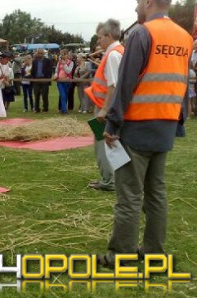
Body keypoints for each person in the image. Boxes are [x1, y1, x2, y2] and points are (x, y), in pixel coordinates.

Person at [99, 0, 192, 267]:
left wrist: (112, 124)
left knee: (129, 194)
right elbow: (182, 82)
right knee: (156, 193)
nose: (136, 7)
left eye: (138, 2)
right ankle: (153, 251)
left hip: (137, 126)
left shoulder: (142, 33)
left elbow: (126, 83)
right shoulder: (184, 37)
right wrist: (178, 121)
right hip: (164, 126)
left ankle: (122, 254)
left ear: (149, 2)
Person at [85, 19, 124, 192]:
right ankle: (115, 179)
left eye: (100, 37)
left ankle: (109, 181)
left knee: (104, 146)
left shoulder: (113, 55)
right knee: (113, 145)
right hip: (109, 107)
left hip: (104, 108)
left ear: (109, 36)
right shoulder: (118, 51)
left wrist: (105, 110)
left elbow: (113, 86)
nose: (98, 41)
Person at [31, 48, 53, 112]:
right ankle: (37, 108)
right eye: (39, 53)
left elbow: (50, 70)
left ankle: (45, 108)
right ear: (37, 53)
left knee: (44, 95)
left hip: (44, 80)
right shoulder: (34, 61)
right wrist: (33, 78)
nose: (40, 54)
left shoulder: (47, 60)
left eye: (41, 53)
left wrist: (48, 79)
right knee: (36, 95)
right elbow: (33, 70)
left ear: (43, 54)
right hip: (36, 80)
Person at [54, 49, 74, 114]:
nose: (63, 56)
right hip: (59, 81)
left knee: (65, 95)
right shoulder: (59, 62)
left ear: (67, 55)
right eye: (62, 55)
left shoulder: (71, 62)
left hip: (67, 81)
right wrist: (55, 75)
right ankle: (65, 110)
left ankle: (63, 109)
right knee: (62, 95)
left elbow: (68, 71)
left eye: (64, 54)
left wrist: (64, 64)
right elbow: (57, 71)